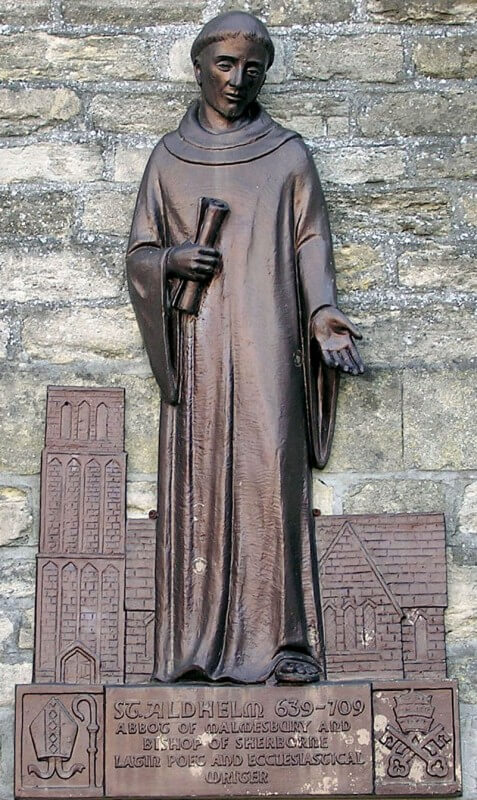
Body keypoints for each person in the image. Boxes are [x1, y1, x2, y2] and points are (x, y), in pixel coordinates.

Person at [126, 11, 364, 685]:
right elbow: (139, 253)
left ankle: (285, 641)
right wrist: (172, 259)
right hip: (199, 348)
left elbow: (309, 237)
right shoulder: (168, 160)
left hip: (268, 337)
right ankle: (196, 645)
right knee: (201, 486)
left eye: (251, 68)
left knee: (273, 474)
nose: (237, 79)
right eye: (225, 65)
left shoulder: (287, 155)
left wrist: (320, 311)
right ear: (200, 67)